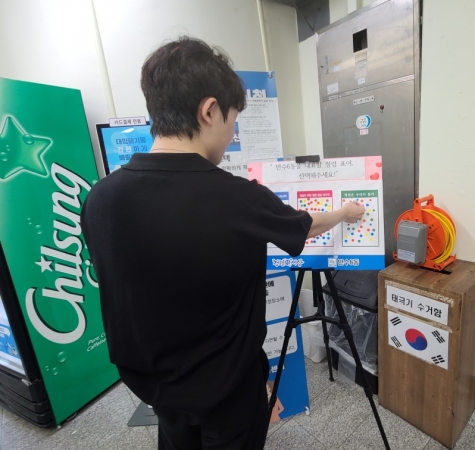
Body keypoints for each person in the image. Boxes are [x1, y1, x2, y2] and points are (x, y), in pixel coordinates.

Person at [81, 36, 365, 450]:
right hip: (228, 389)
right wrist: (344, 213)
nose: (232, 134)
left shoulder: (100, 199)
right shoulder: (237, 198)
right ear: (209, 110)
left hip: (155, 389)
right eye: (233, 120)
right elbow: (303, 227)